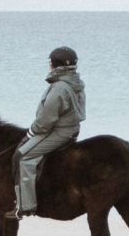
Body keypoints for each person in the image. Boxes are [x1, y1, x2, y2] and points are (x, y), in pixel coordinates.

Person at [8, 47, 86, 220]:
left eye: (50, 63)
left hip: (58, 132)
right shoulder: (76, 82)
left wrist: (30, 132)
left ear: (55, 65)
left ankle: (26, 206)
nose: (49, 66)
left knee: (22, 157)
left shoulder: (59, 88)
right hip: (71, 129)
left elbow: (45, 121)